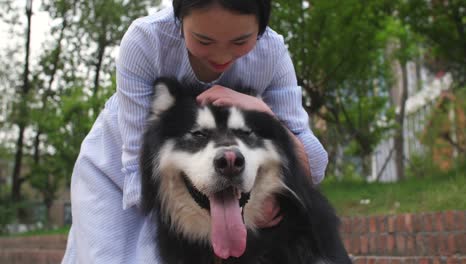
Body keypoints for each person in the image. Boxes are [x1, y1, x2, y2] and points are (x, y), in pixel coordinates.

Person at [61, 0, 328, 262]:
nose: (222, 57)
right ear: (180, 20)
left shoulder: (272, 53)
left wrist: (265, 113)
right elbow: (135, 173)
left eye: (240, 42)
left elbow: (314, 165)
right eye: (204, 41)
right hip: (117, 169)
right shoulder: (145, 41)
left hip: (213, 171)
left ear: (261, 28)